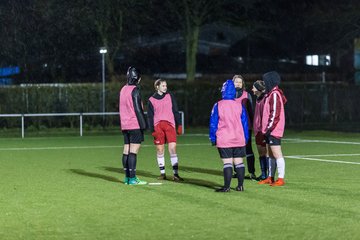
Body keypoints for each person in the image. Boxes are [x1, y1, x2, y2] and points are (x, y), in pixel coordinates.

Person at [209, 80, 249, 192]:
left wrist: (213, 138)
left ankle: (226, 187)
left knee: (227, 163)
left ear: (223, 90)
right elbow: (245, 124)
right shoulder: (239, 105)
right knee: (239, 162)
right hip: (239, 138)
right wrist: (245, 138)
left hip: (224, 139)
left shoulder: (218, 105)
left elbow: (213, 123)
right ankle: (240, 186)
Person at [147, 79, 184, 182]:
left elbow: (175, 111)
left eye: (166, 85)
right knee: (160, 150)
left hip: (170, 126)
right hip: (158, 127)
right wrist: (152, 130)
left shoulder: (170, 96)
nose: (165, 87)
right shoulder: (151, 100)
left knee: (172, 149)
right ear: (157, 87)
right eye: (163, 86)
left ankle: (176, 174)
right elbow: (150, 116)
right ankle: (163, 174)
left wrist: (179, 125)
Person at [258, 71, 287, 186]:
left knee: (276, 153)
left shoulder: (275, 94)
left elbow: (275, 113)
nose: (264, 83)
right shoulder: (270, 94)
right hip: (269, 129)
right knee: (270, 154)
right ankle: (270, 177)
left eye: (265, 81)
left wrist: (269, 128)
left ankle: (281, 179)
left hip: (274, 130)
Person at [119, 66, 147, 185]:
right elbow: (138, 109)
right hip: (134, 124)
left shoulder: (123, 89)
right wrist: (144, 125)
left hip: (125, 124)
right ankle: (132, 178)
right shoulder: (135, 90)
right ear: (138, 79)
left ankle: (127, 178)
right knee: (133, 152)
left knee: (126, 150)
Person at [232, 75, 256, 180]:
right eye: (236, 82)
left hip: (246, 127)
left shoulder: (247, 95)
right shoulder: (228, 95)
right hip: (232, 127)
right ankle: (237, 171)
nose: (238, 84)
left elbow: (251, 111)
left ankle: (252, 172)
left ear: (243, 84)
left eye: (240, 82)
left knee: (248, 149)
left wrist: (253, 125)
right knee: (235, 150)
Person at [251, 80, 269, 180]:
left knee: (265, 152)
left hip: (263, 130)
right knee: (260, 153)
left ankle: (268, 174)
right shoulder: (258, 99)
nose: (252, 89)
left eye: (253, 87)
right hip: (257, 130)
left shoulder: (265, 99)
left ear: (258, 89)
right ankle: (263, 174)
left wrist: (264, 130)